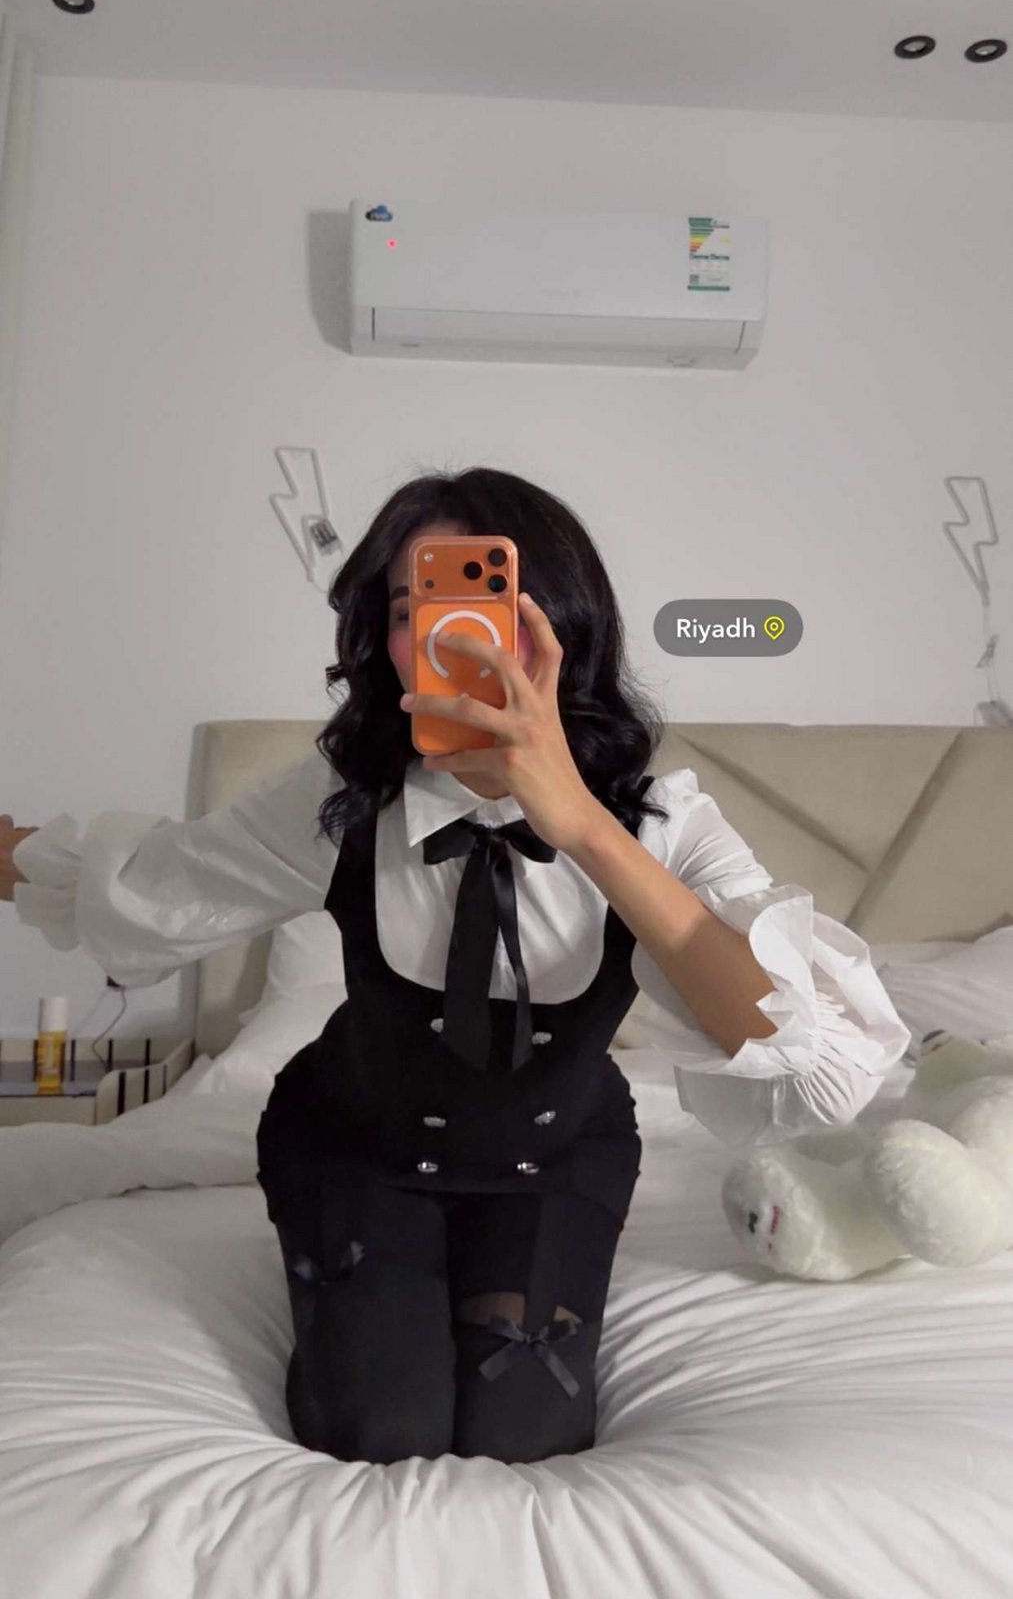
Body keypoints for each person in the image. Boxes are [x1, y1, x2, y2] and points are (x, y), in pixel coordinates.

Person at [1, 465, 911, 1464]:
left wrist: (583, 827)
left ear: (562, 628)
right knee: (381, 1428)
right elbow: (155, 882)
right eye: (409, 609)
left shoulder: (662, 820)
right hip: (354, 1147)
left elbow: (804, 1058)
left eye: (490, 605)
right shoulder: (341, 801)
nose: (447, 636)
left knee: (524, 1433)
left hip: (552, 1162)